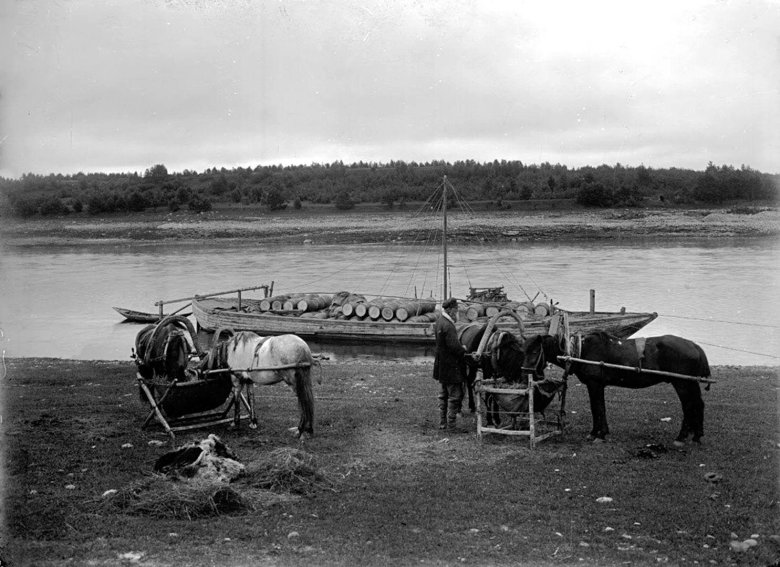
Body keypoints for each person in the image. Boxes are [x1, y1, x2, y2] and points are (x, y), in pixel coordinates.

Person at [432, 297, 468, 431]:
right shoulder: (448, 325)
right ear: (451, 310)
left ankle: (443, 423)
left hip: (442, 365)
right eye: (456, 310)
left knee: (443, 395)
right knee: (454, 396)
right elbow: (454, 347)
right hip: (451, 366)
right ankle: (452, 425)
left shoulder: (439, 322)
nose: (457, 313)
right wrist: (463, 349)